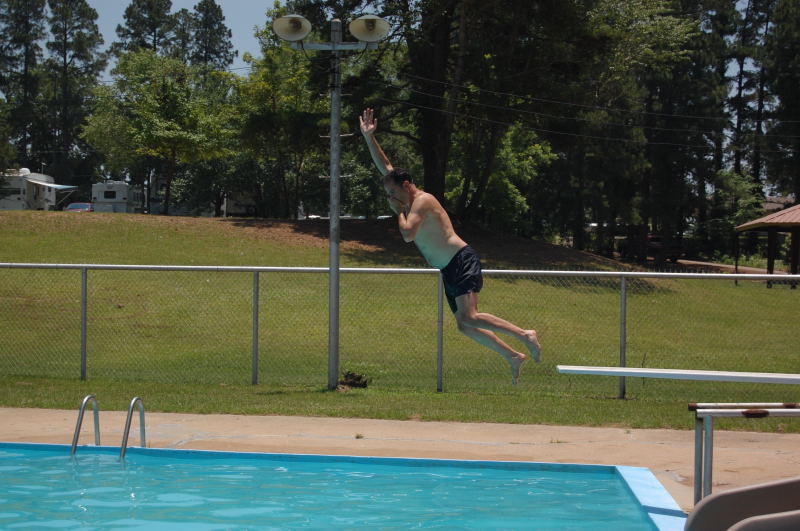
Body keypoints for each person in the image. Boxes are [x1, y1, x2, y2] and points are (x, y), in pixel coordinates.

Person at [359, 108, 541, 384]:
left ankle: (525, 334)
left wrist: (396, 210)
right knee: (465, 326)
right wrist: (369, 137)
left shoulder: (421, 202)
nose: (390, 196)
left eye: (393, 192)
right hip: (448, 267)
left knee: (471, 316)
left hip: (460, 259)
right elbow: (385, 167)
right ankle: (513, 356)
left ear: (406, 186)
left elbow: (408, 235)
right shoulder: (405, 192)